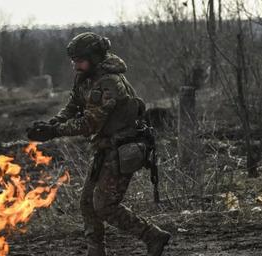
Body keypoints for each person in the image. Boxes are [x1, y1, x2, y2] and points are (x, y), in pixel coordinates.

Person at [26, 32, 171, 256]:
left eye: (80, 60)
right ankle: (96, 251)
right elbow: (74, 104)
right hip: (105, 147)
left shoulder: (110, 83)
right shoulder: (87, 76)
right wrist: (54, 122)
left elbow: (90, 122)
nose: (76, 66)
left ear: (94, 57)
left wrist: (54, 131)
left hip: (123, 147)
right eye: (73, 61)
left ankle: (153, 236)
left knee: (104, 206)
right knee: (87, 203)